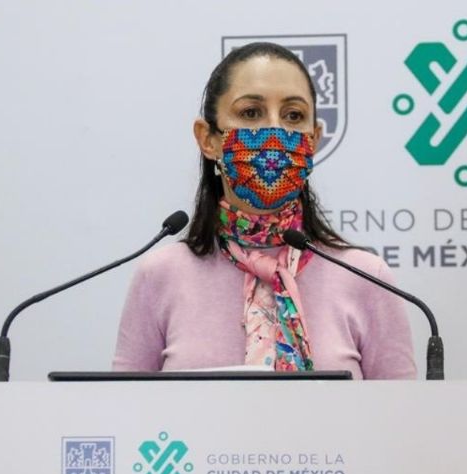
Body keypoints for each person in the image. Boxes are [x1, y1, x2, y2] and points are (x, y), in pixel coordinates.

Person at [112, 42, 416, 379]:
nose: (274, 132)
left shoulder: (365, 277)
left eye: (293, 116)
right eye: (251, 113)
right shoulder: (160, 275)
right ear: (208, 139)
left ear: (313, 140)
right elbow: (128, 417)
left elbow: (403, 422)